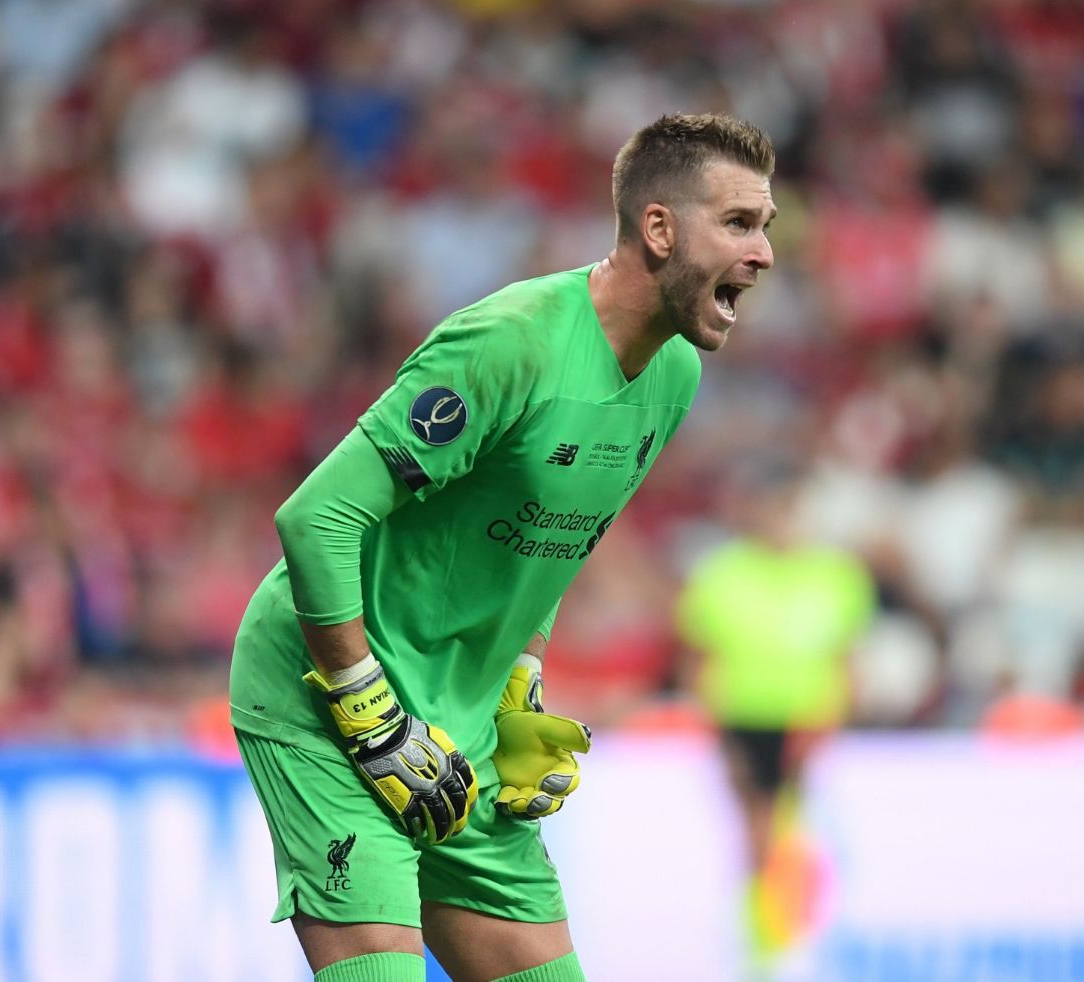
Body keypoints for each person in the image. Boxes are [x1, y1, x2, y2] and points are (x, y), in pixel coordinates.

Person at [229, 113, 777, 982]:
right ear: (660, 229)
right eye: (740, 224)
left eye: (766, 228)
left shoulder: (674, 376)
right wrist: (367, 711)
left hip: (458, 720)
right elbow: (315, 519)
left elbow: (541, 540)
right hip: (326, 690)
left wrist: (519, 689)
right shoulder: (513, 341)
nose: (764, 254)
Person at [675, 459, 875, 967]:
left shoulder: (837, 575)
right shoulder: (722, 574)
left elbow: (848, 661)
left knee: (796, 839)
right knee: (757, 839)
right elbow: (697, 660)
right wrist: (713, 729)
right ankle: (761, 950)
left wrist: (839, 719)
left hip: (810, 722)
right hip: (743, 718)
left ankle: (787, 945)